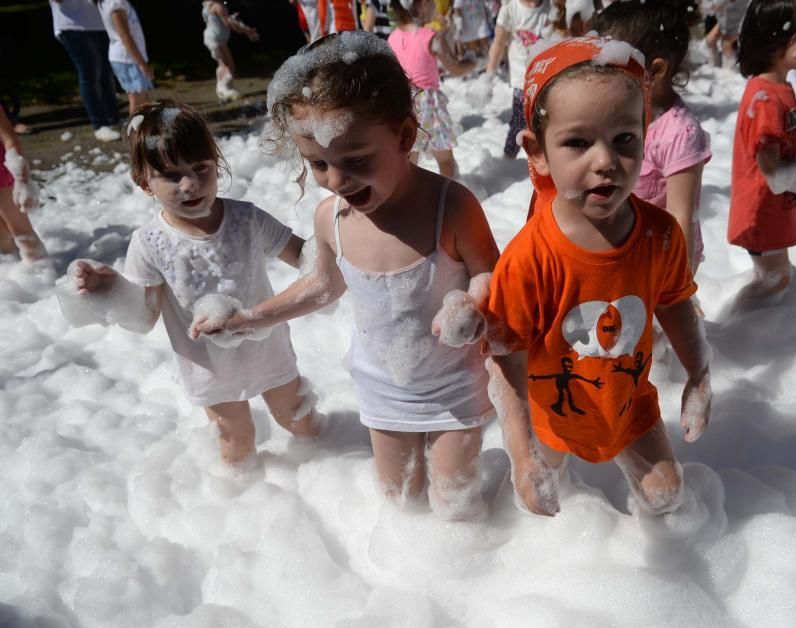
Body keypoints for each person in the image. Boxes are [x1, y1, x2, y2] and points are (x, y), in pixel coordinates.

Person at [195, 33, 501, 520]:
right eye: (317, 164)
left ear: (403, 137)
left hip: (453, 386)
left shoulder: (452, 207)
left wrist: (471, 304)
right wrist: (250, 318)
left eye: (356, 161)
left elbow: (491, 274)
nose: (336, 180)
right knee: (399, 500)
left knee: (455, 504)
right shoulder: (330, 219)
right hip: (383, 384)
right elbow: (321, 286)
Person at [484, 35, 713, 517]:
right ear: (538, 152)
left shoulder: (661, 235)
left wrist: (698, 374)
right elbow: (506, 357)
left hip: (630, 405)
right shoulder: (530, 258)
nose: (606, 160)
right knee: (539, 506)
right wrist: (523, 455)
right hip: (552, 413)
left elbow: (674, 303)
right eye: (578, 142)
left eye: (624, 139)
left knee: (665, 495)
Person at [66, 102, 321, 466]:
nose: (190, 184)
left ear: (216, 166)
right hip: (209, 368)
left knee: (300, 419)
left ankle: (326, 466)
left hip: (268, 351)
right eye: (171, 175)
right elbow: (143, 318)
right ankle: (241, 501)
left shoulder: (246, 219)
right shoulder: (150, 242)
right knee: (237, 440)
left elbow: (307, 259)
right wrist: (110, 292)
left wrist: (344, 239)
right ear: (144, 183)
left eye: (201, 169)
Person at [726, 0, 796, 309]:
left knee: (775, 277)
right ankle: (744, 333)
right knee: (775, 280)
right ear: (777, 39)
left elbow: (789, 142)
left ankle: (756, 332)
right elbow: (771, 170)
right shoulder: (766, 100)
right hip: (761, 214)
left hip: (771, 210)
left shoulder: (778, 89)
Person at [595, 0, 712, 275]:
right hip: (622, 248)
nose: (598, 74)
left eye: (610, 65)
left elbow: (682, 218)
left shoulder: (678, 133)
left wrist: (676, 292)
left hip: (659, 263)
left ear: (655, 71)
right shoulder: (621, 113)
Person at [388, 0, 473, 178]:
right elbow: (454, 68)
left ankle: (408, 197)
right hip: (429, 103)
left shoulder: (392, 38)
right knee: (445, 158)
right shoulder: (430, 37)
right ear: (422, 5)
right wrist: (472, 64)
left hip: (404, 103)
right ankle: (446, 194)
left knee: (410, 158)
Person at [481, 0, 552, 159]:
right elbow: (498, 44)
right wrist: (488, 77)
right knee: (519, 123)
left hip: (548, 76)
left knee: (548, 121)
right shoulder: (510, 9)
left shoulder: (551, 6)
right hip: (522, 79)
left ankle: (547, 159)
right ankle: (509, 158)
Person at [48, 0, 121, 141]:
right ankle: (100, 124)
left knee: (106, 74)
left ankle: (114, 119)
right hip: (72, 25)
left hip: (99, 23)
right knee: (90, 74)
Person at [0, 106, 47, 262]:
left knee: (21, 231)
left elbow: (9, 138)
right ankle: (13, 269)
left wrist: (23, 180)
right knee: (2, 238)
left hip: (2, 175)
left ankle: (40, 272)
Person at [93, 0, 153, 115]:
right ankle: (132, 132)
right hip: (127, 58)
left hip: (127, 57)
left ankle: (144, 130)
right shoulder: (116, 3)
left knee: (143, 99)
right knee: (138, 101)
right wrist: (141, 62)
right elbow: (124, 35)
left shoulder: (109, 3)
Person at [201, 0, 260, 102]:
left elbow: (221, 19)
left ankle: (222, 88)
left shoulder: (208, 4)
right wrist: (246, 30)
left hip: (211, 38)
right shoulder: (218, 6)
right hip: (217, 39)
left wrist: (233, 20)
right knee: (230, 65)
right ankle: (225, 89)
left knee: (222, 64)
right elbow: (228, 22)